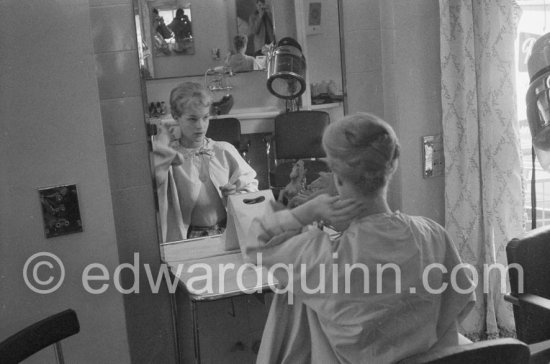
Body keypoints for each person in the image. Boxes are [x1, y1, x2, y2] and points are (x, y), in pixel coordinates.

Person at [244, 112, 475, 363]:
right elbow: (460, 305)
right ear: (392, 166)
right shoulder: (433, 235)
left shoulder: (320, 253)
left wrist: (303, 213)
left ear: (337, 174)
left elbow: (255, 244)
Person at [153, 82, 258, 242]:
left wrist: (236, 194)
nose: (200, 126)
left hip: (227, 232)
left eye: (205, 118)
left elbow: (251, 187)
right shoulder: (171, 159)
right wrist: (162, 145)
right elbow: (157, 188)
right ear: (176, 117)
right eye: (192, 119)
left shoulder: (223, 151)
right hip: (190, 237)